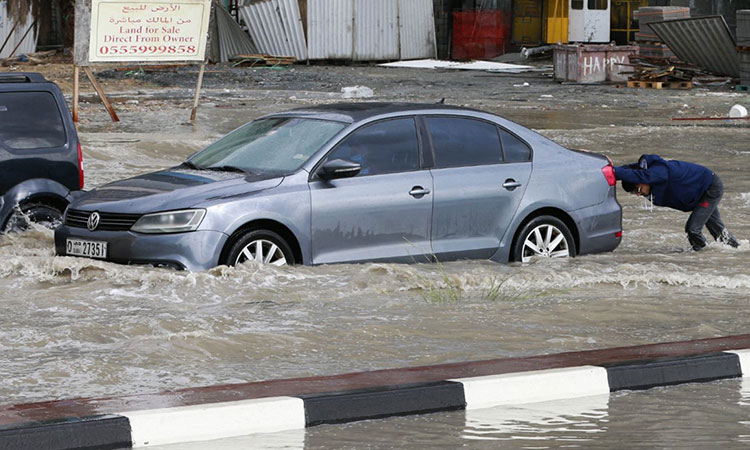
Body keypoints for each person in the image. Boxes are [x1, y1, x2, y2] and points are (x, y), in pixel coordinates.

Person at [614, 154, 740, 251]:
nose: (639, 194)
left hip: (709, 188)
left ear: (645, 180)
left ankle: (703, 255)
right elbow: (630, 170)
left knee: (693, 229)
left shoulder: (659, 171)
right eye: (634, 193)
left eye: (638, 189)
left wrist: (614, 171)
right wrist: (608, 169)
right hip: (698, 193)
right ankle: (737, 251)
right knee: (718, 230)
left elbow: (642, 175)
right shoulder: (651, 180)